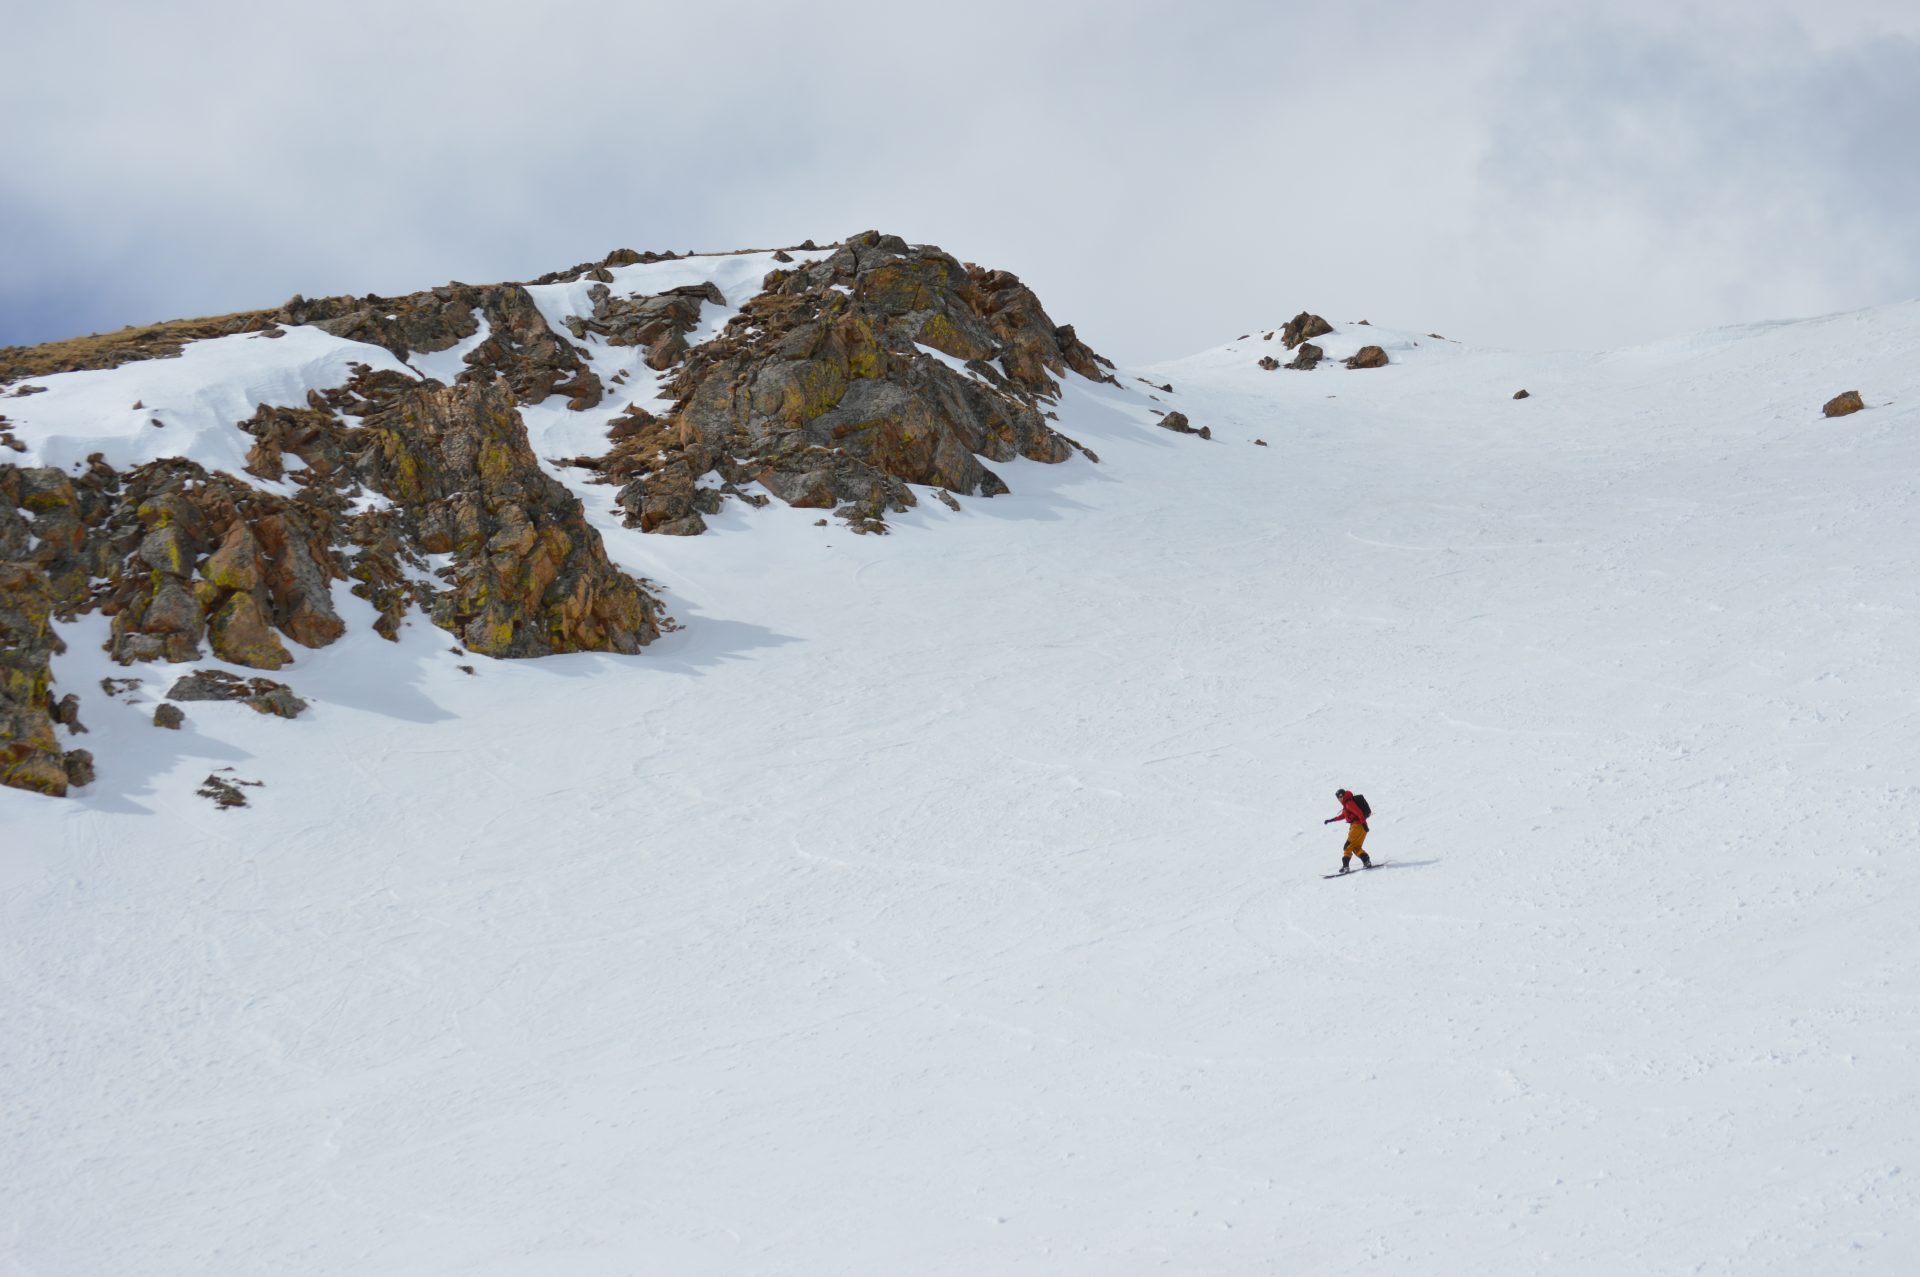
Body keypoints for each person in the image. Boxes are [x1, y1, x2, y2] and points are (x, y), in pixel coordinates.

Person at [1324, 788, 1372, 872]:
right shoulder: (1348, 804)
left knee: (1347, 847)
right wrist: (1331, 820)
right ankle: (1366, 861)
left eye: (1339, 797)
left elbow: (1359, 813)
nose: (1338, 799)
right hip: (1361, 827)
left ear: (1341, 796)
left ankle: (1346, 866)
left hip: (1357, 827)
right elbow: (1343, 816)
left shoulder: (1349, 803)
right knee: (1356, 847)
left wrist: (1364, 825)